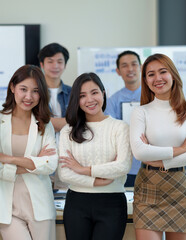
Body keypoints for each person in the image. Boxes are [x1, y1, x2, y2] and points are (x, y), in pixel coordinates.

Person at [130, 53, 186, 240]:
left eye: (162, 72)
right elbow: (139, 152)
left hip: (181, 187)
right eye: (151, 74)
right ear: (146, 81)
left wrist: (156, 159)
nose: (157, 78)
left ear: (173, 75)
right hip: (148, 187)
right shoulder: (140, 112)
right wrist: (181, 148)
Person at [0, 65, 58, 240]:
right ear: (12, 88)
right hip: (6, 206)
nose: (29, 97)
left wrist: (9, 159)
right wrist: (33, 163)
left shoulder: (44, 123)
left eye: (35, 91)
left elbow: (51, 164)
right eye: (23, 89)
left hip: (39, 204)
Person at [58, 72, 132, 240]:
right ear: (76, 100)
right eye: (82, 95)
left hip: (112, 203)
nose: (90, 100)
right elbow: (65, 173)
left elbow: (122, 166)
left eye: (94, 92)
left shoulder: (120, 128)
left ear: (103, 94)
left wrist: (84, 170)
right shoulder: (68, 131)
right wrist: (98, 180)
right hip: (76, 203)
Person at [105, 50, 142, 187]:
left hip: (153, 165)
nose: (130, 69)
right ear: (118, 71)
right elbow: (112, 133)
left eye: (134, 64)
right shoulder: (112, 101)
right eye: (125, 65)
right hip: (127, 167)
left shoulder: (153, 96)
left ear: (141, 67)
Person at [38, 42, 71, 133]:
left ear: (65, 65)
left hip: (69, 146)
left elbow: (81, 121)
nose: (55, 66)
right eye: (50, 61)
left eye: (60, 62)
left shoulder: (74, 92)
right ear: (42, 65)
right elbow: (35, 123)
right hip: (43, 146)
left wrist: (46, 122)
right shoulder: (35, 92)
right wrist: (70, 123)